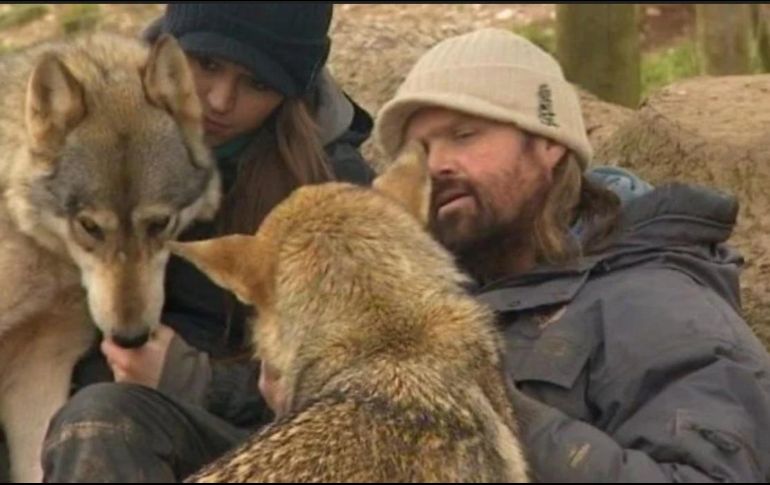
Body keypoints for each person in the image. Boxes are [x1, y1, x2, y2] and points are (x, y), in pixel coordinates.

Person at [374, 28, 770, 482]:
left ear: (547, 143)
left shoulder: (656, 306)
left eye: (464, 134)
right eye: (419, 150)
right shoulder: (432, 308)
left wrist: (491, 408)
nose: (438, 164)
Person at [42, 3, 375, 482]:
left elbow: (364, 373)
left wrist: (193, 379)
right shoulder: (79, 142)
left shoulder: (332, 187)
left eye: (258, 84)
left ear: (293, 93)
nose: (220, 101)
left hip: (259, 447)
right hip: (65, 422)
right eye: (208, 65)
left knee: (102, 419)